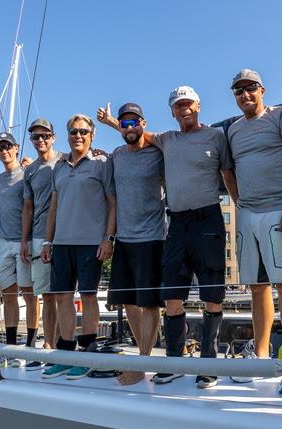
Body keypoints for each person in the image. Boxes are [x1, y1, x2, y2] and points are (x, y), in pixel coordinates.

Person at [99, 86, 235, 389]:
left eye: (188, 104)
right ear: (172, 111)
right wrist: (111, 123)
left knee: (212, 296)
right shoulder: (167, 140)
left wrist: (242, 208)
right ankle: (173, 361)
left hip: (209, 218)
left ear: (198, 105)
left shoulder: (216, 136)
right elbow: (135, 133)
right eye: (177, 106)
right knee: (172, 296)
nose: (183, 109)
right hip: (177, 223)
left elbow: (228, 174)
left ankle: (208, 362)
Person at [225, 69, 282, 395]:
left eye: (250, 89)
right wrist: (239, 203)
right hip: (248, 215)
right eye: (238, 91)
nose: (245, 95)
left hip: (280, 211)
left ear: (262, 89)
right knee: (257, 287)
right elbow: (229, 171)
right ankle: (261, 357)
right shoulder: (232, 130)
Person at [40, 114, 116, 380]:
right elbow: (53, 208)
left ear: (92, 135)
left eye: (83, 131)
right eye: (73, 131)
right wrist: (48, 241)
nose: (78, 136)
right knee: (62, 297)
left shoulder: (101, 163)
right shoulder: (59, 167)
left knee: (88, 296)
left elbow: (112, 203)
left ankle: (86, 355)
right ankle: (64, 354)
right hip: (61, 242)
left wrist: (108, 238)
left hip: (90, 242)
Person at [102, 103, 166, 386]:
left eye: (134, 123)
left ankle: (142, 362)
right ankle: (144, 358)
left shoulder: (158, 153)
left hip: (151, 238)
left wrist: (114, 123)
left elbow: (143, 136)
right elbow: (112, 200)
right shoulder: (116, 156)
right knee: (128, 302)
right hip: (124, 239)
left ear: (144, 122)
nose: (129, 128)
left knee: (150, 304)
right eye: (124, 124)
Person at [0, 132, 39, 363]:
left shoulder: (27, 174)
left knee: (29, 295)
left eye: (8, 146)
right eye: (0, 147)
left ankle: (30, 345)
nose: (4, 151)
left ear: (16, 147)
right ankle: (10, 347)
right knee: (8, 295)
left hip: (24, 241)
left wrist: (24, 240)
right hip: (3, 242)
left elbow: (31, 207)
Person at [21, 118, 62, 357]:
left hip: (66, 234)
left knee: (65, 294)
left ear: (53, 138)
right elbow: (28, 207)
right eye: (36, 137)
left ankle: (64, 342)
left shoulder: (66, 159)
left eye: (45, 136)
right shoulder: (30, 170)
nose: (41, 140)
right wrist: (25, 240)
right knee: (46, 294)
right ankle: (49, 343)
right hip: (38, 236)